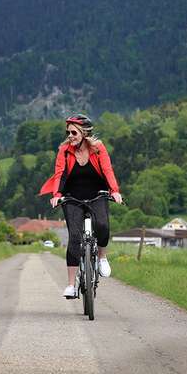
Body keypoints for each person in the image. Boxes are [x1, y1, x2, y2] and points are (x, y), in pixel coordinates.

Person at [39, 114, 122, 299]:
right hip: (72, 197)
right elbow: (60, 174)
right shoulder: (64, 150)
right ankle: (71, 285)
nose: (70, 136)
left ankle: (101, 257)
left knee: (102, 225)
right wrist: (57, 195)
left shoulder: (98, 149)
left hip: (97, 194)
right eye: (68, 132)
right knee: (75, 237)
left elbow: (107, 170)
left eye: (74, 132)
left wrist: (114, 191)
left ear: (84, 133)